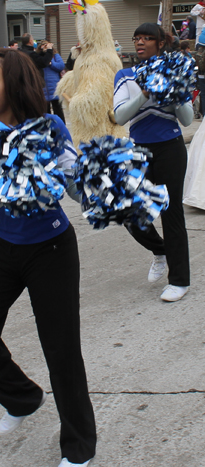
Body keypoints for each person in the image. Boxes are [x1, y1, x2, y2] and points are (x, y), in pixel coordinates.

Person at [0, 47, 96, 467]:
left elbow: (74, 189)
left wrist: (98, 180)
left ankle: (79, 445)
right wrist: (8, 185)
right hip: (3, 245)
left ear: (13, 84)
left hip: (51, 247)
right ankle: (22, 397)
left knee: (61, 350)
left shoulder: (49, 126)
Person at [113, 23, 193, 302]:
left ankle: (180, 281)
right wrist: (145, 93)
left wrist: (171, 93)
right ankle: (160, 250)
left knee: (171, 215)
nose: (141, 42)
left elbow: (186, 118)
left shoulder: (175, 70)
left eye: (148, 38)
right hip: (139, 150)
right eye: (137, 38)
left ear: (161, 43)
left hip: (170, 148)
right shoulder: (125, 76)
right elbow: (120, 117)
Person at [38, 40, 66, 123]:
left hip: (54, 87)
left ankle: (61, 126)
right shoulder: (39, 57)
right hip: (43, 88)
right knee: (46, 112)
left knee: (58, 110)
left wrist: (51, 63)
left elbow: (61, 66)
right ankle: (49, 127)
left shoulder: (55, 56)